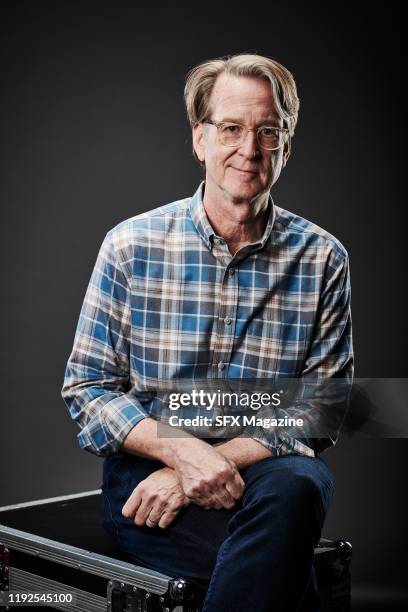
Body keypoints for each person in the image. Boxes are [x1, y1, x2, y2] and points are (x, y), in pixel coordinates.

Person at [62, 53, 353, 611]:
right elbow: (87, 390)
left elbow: (323, 408)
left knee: (301, 483)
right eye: (231, 129)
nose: (249, 149)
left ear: (286, 143)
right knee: (285, 575)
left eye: (268, 131)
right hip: (147, 482)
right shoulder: (130, 245)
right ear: (200, 139)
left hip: (267, 476)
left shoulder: (322, 258)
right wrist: (179, 455)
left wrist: (207, 462)